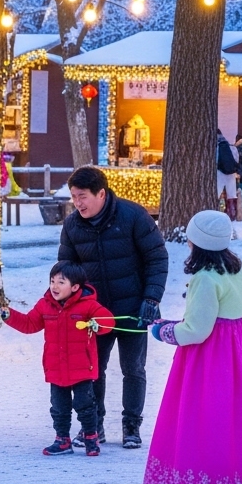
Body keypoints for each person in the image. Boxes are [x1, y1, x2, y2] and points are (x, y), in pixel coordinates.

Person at [143, 210, 242, 484]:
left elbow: (197, 330)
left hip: (211, 356)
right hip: (236, 349)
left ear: (195, 242)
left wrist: (164, 331)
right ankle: (238, 482)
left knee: (205, 414)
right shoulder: (234, 269)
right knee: (234, 414)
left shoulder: (204, 278)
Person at [58, 165, 168, 449]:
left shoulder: (133, 216)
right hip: (94, 314)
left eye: (82, 196)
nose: (77, 203)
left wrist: (151, 299)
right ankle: (95, 426)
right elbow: (67, 269)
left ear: (101, 194)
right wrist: (70, 302)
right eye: (73, 197)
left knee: (133, 368)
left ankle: (131, 425)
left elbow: (157, 258)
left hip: (133, 308)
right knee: (94, 369)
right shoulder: (72, 226)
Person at [0, 261, 113, 456]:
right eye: (52, 281)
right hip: (56, 368)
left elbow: (108, 321)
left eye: (61, 282)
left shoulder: (88, 305)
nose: (55, 286)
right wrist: (9, 316)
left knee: (85, 406)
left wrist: (96, 324)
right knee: (59, 408)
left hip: (82, 368)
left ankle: (91, 438)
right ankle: (62, 440)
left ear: (75, 287)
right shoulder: (45, 305)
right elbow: (29, 324)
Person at [216, 131, 241, 221]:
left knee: (216, 194)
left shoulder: (216, 146)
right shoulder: (231, 147)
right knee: (231, 195)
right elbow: (236, 160)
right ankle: (232, 214)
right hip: (231, 174)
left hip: (219, 173)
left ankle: (215, 213)